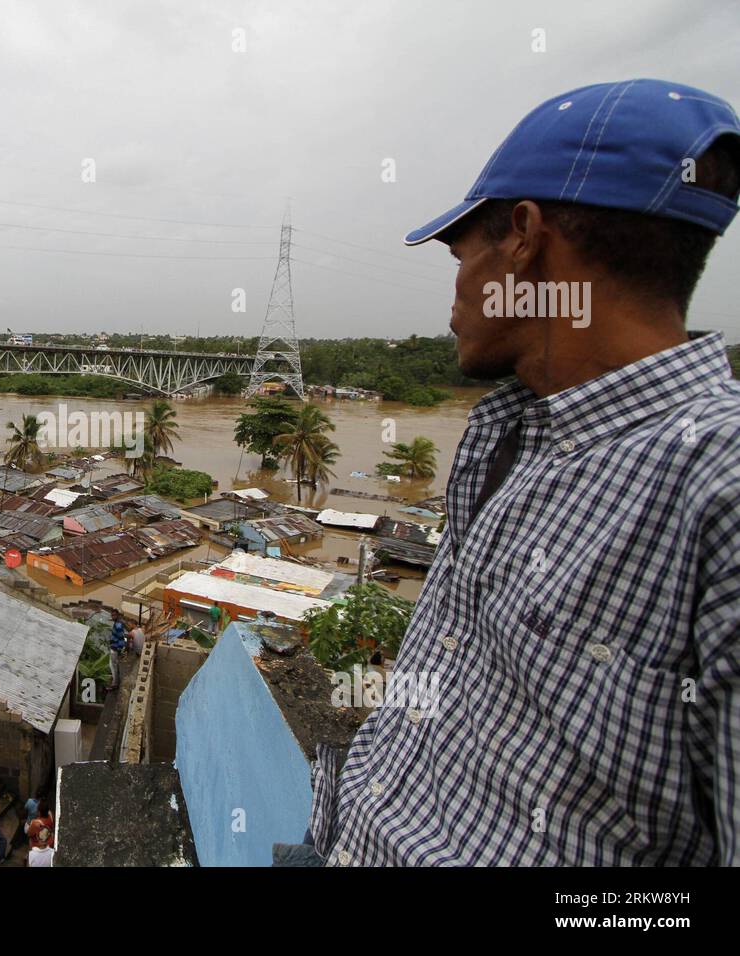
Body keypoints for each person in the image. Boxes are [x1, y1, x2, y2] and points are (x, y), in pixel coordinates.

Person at [308, 79, 740, 867]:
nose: (457, 286)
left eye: (461, 249)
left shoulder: (719, 490)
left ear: (523, 238)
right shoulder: (505, 436)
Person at [107, 610, 127, 691]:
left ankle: (115, 684)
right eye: (112, 615)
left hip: (115, 648)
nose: (113, 617)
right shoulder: (118, 623)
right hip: (114, 647)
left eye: (114, 615)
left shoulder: (118, 625)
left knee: (113, 666)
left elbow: (121, 638)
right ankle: (116, 681)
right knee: (114, 665)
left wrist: (119, 649)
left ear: (118, 615)